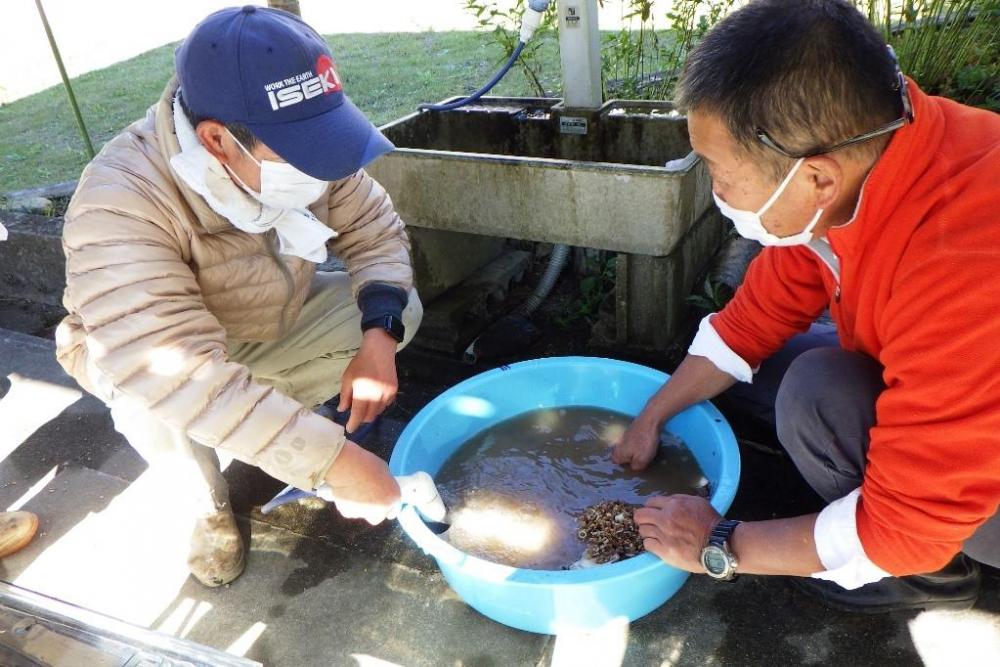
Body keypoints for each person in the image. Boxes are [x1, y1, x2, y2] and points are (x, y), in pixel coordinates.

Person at [614, 0, 1000, 612]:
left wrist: (718, 543)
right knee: (761, 371)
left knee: (812, 389)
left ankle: (928, 580)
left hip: (979, 486)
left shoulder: (965, 261)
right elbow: (754, 319)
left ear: (815, 177)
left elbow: (906, 525)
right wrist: (652, 414)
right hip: (967, 405)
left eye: (717, 170)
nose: (715, 189)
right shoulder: (869, 153)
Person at [56, 6, 422, 587]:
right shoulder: (120, 200)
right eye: (302, 152)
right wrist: (335, 464)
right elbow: (174, 369)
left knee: (400, 309)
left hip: (259, 322)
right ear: (218, 141)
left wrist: (378, 336)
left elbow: (375, 230)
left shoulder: (307, 150)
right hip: (147, 356)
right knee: (161, 403)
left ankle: (259, 421)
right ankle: (208, 504)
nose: (322, 169)